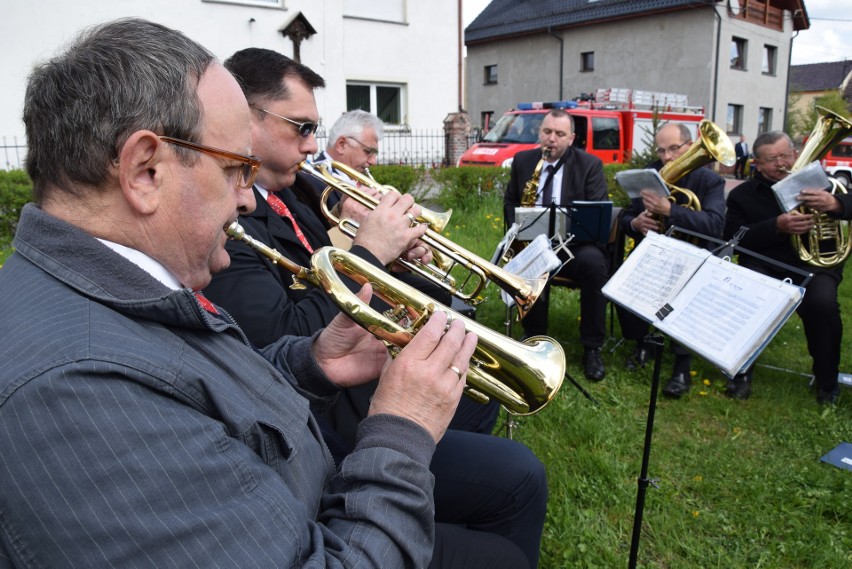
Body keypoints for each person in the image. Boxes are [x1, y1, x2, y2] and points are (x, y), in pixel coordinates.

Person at [0, 18, 487, 568]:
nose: (249, 200)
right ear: (145, 171)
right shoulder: (76, 394)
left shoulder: (112, 284)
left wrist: (310, 365)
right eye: (235, 169)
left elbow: (200, 393)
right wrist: (402, 430)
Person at [204, 48, 546, 567]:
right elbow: (280, 329)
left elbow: (351, 282)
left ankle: (438, 498)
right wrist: (368, 251)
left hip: (348, 373)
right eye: (301, 128)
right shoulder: (232, 221)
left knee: (484, 408)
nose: (313, 146)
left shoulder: (293, 194)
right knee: (509, 476)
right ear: (245, 118)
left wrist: (401, 258)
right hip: (329, 417)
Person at [725, 130, 851, 404]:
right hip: (766, 264)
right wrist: (776, 227)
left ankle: (827, 381)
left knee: (823, 304)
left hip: (814, 267)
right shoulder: (742, 195)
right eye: (772, 159)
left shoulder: (826, 184)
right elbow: (733, 238)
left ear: (795, 153)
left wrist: (837, 203)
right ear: (757, 163)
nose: (781, 163)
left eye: (785, 155)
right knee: (747, 297)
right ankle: (741, 372)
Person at [618, 122, 726, 398]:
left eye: (674, 149)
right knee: (621, 280)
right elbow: (626, 217)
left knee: (686, 291)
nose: (666, 157)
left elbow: (714, 225)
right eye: (661, 150)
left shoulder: (709, 180)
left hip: (694, 255)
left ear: (690, 147)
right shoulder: (650, 174)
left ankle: (681, 364)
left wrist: (670, 210)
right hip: (655, 252)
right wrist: (636, 223)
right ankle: (642, 343)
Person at [504, 108, 610, 381]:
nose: (552, 139)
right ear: (540, 133)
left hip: (574, 244)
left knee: (595, 264)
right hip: (533, 240)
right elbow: (510, 203)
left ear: (571, 138)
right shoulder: (523, 160)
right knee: (533, 265)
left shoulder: (590, 165)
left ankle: (592, 346)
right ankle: (535, 336)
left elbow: (594, 211)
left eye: (559, 134)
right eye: (547, 132)